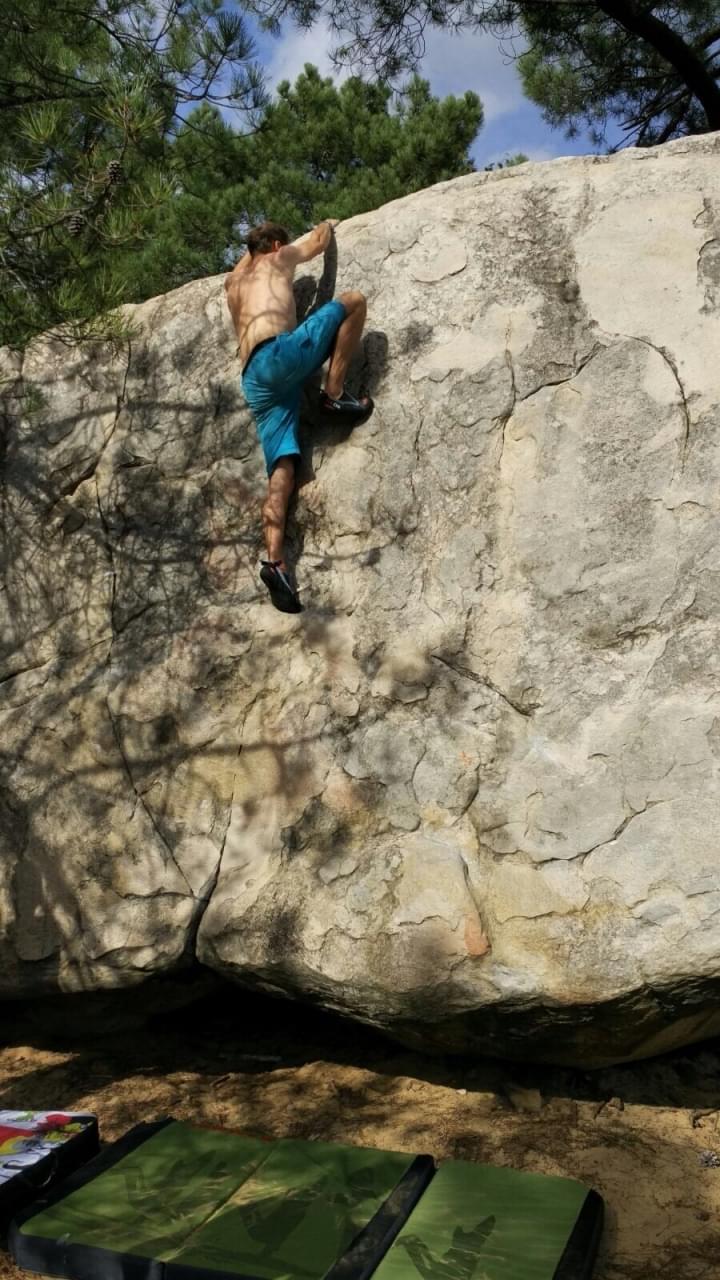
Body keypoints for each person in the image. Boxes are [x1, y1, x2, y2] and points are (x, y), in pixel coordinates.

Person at [225, 219, 373, 613]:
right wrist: (325, 224)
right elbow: (319, 244)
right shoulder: (279, 257)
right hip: (280, 354)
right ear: (275, 245)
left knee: (282, 468)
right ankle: (335, 395)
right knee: (354, 300)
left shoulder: (234, 285)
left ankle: (275, 562)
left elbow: (245, 261)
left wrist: (253, 246)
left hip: (255, 379)